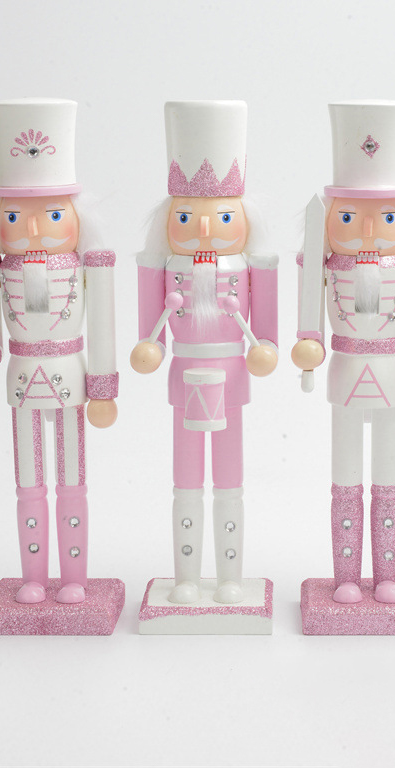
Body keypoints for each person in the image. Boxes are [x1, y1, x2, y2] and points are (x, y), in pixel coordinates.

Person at [0, 98, 117, 605]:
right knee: (28, 482)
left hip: (70, 376)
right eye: (14, 215)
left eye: (51, 214)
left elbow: (103, 327)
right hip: (23, 378)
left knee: (72, 481)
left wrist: (103, 388)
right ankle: (32, 576)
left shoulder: (84, 266)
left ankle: (73, 578)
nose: (32, 229)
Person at [293, 101, 395, 605]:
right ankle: (347, 577)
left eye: (388, 216)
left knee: (390, 478)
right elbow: (309, 314)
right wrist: (308, 344)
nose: (370, 231)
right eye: (350, 216)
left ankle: (388, 576)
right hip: (344, 372)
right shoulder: (326, 265)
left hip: (394, 375)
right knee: (345, 478)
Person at [131, 100, 277, 605]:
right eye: (187, 217)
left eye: (224, 216)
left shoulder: (251, 266)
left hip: (232, 373)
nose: (206, 229)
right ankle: (187, 578)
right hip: (185, 373)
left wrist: (265, 350)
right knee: (186, 479)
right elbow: (148, 339)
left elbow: (266, 336)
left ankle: (231, 577)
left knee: (231, 479)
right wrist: (149, 349)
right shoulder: (162, 266)